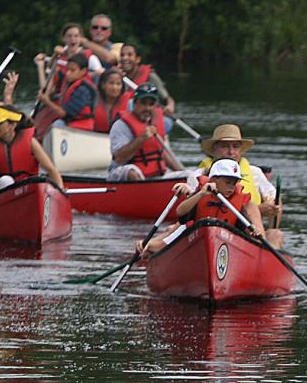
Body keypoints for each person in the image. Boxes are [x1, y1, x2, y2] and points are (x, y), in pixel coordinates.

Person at [137, 158, 266, 256]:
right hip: (195, 243)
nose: (231, 187)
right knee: (177, 232)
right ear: (214, 180)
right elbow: (180, 212)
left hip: (227, 248)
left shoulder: (237, 204)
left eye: (234, 183)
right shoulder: (201, 194)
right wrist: (201, 194)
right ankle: (149, 248)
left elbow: (246, 227)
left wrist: (253, 231)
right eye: (227, 182)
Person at [197, 123, 281, 242]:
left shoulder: (255, 172)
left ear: (241, 150)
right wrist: (260, 208)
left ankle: (264, 248)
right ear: (214, 149)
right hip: (206, 233)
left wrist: (271, 206)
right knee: (170, 230)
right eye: (225, 146)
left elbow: (275, 199)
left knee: (276, 234)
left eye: (235, 146)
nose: (231, 152)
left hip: (247, 232)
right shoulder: (198, 175)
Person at [108, 83, 198, 183]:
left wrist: (184, 175)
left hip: (154, 176)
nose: (147, 108)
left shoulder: (155, 123)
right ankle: (143, 194)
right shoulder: (120, 125)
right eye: (143, 103)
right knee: (132, 171)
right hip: (122, 173)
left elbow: (162, 153)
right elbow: (119, 158)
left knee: (189, 175)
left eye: (151, 104)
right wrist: (141, 139)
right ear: (135, 103)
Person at [0, 105, 65, 193]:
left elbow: (51, 169)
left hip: (27, 187)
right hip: (3, 189)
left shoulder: (31, 142)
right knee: (5, 180)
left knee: (35, 182)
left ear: (12, 125)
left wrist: (60, 189)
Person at [33, 22, 104, 96]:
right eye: (69, 36)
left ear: (81, 38)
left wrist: (93, 74)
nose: (73, 39)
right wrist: (41, 66)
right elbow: (46, 88)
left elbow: (100, 74)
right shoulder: (59, 57)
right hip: (61, 98)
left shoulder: (90, 58)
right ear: (63, 38)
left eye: (76, 36)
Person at [37, 53, 97, 131]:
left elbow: (63, 113)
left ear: (83, 71)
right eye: (67, 69)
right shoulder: (69, 82)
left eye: (72, 70)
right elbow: (50, 85)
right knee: (55, 124)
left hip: (81, 126)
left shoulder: (83, 90)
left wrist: (46, 101)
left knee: (57, 125)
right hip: (69, 122)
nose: (68, 73)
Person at [118, 43, 175, 115]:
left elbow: (167, 98)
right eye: (122, 55)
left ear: (137, 59)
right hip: (126, 114)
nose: (125, 58)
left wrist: (170, 106)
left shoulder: (150, 76)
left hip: (148, 114)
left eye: (129, 55)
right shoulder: (116, 77)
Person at [92, 68, 127, 133]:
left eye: (118, 84)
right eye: (111, 83)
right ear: (103, 85)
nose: (114, 87)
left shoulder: (129, 105)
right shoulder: (93, 100)